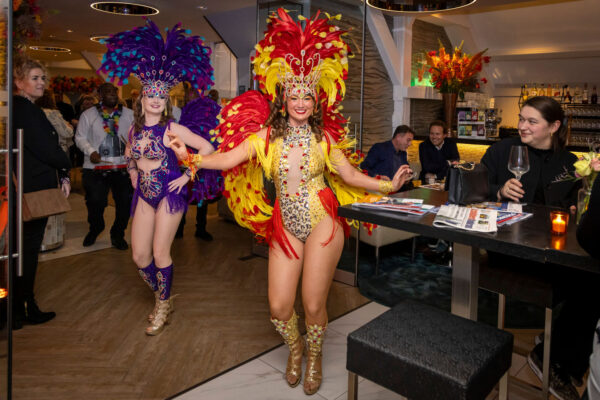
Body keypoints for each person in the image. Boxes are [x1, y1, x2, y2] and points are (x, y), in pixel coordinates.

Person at [167, 9, 412, 395]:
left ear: (317, 101)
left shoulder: (324, 140)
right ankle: (295, 348)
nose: (300, 102)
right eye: (294, 95)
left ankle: (313, 356)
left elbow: (349, 176)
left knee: (313, 304)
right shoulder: (264, 138)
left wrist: (387, 186)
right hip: (286, 225)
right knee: (280, 308)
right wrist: (190, 157)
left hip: (323, 222)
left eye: (307, 96)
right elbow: (224, 159)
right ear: (284, 98)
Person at [99, 19, 219, 336]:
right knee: (139, 255)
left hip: (170, 194)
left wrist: (188, 175)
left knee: (160, 252)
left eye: (161, 96)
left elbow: (206, 146)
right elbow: (129, 158)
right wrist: (135, 175)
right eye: (150, 94)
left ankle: (162, 304)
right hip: (144, 196)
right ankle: (161, 293)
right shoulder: (133, 129)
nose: (155, 99)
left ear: (166, 101)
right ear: (141, 99)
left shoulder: (172, 129)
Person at [481, 96, 596, 400]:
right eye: (521, 119)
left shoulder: (570, 163)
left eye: (532, 121)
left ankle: (557, 350)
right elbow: (471, 187)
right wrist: (498, 190)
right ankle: (556, 357)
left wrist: (576, 207)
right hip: (509, 248)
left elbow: (572, 205)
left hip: (553, 248)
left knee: (592, 274)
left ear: (554, 126)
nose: (522, 126)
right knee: (590, 283)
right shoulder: (502, 150)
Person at [13, 56, 71, 330]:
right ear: (18, 81)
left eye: (43, 78)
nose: (41, 83)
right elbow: (46, 149)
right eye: (34, 78)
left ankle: (17, 307)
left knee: (21, 248)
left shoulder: (22, 108)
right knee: (26, 249)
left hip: (28, 184)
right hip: (31, 188)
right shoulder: (25, 109)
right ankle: (23, 307)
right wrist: (66, 163)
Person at [75, 83, 134, 250]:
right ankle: (96, 227)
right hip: (95, 168)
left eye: (114, 91)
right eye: (107, 91)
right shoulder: (88, 115)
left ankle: (118, 234)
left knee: (124, 203)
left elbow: (137, 135)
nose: (112, 94)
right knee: (95, 202)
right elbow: (79, 137)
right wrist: (90, 151)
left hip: (123, 168)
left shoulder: (129, 114)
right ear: (99, 95)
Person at [175, 86, 220, 241]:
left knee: (202, 196)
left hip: (203, 161)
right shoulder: (180, 113)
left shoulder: (206, 112)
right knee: (182, 194)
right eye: (187, 94)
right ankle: (178, 228)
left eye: (192, 93)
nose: (189, 96)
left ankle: (200, 228)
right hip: (183, 161)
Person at [360, 124, 414, 190]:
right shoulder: (379, 148)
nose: (410, 144)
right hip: (381, 190)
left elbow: (407, 171)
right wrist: (377, 176)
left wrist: (407, 176)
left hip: (399, 190)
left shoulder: (403, 153)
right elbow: (364, 167)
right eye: (408, 140)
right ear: (398, 137)